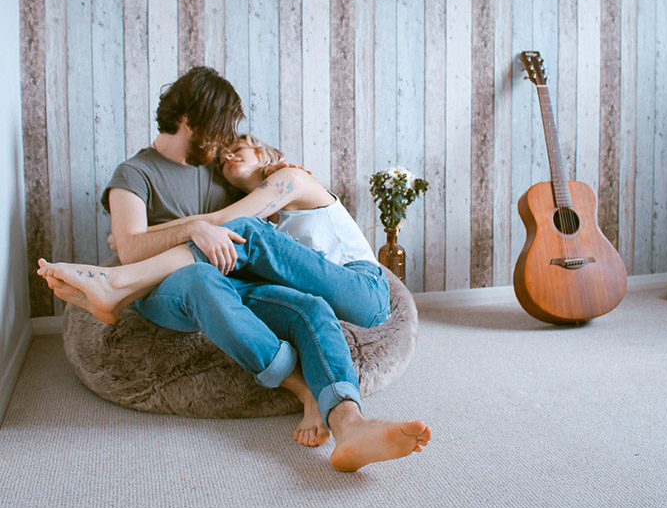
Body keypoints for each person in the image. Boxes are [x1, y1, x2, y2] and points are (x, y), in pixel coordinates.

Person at [40, 67, 432, 472]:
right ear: (189, 119)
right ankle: (301, 388)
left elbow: (247, 217)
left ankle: (351, 425)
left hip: (240, 281)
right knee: (201, 276)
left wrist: (264, 184)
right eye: (220, 129)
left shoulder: (221, 170)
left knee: (310, 306)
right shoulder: (133, 174)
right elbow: (128, 247)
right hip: (176, 287)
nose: (225, 144)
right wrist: (191, 229)